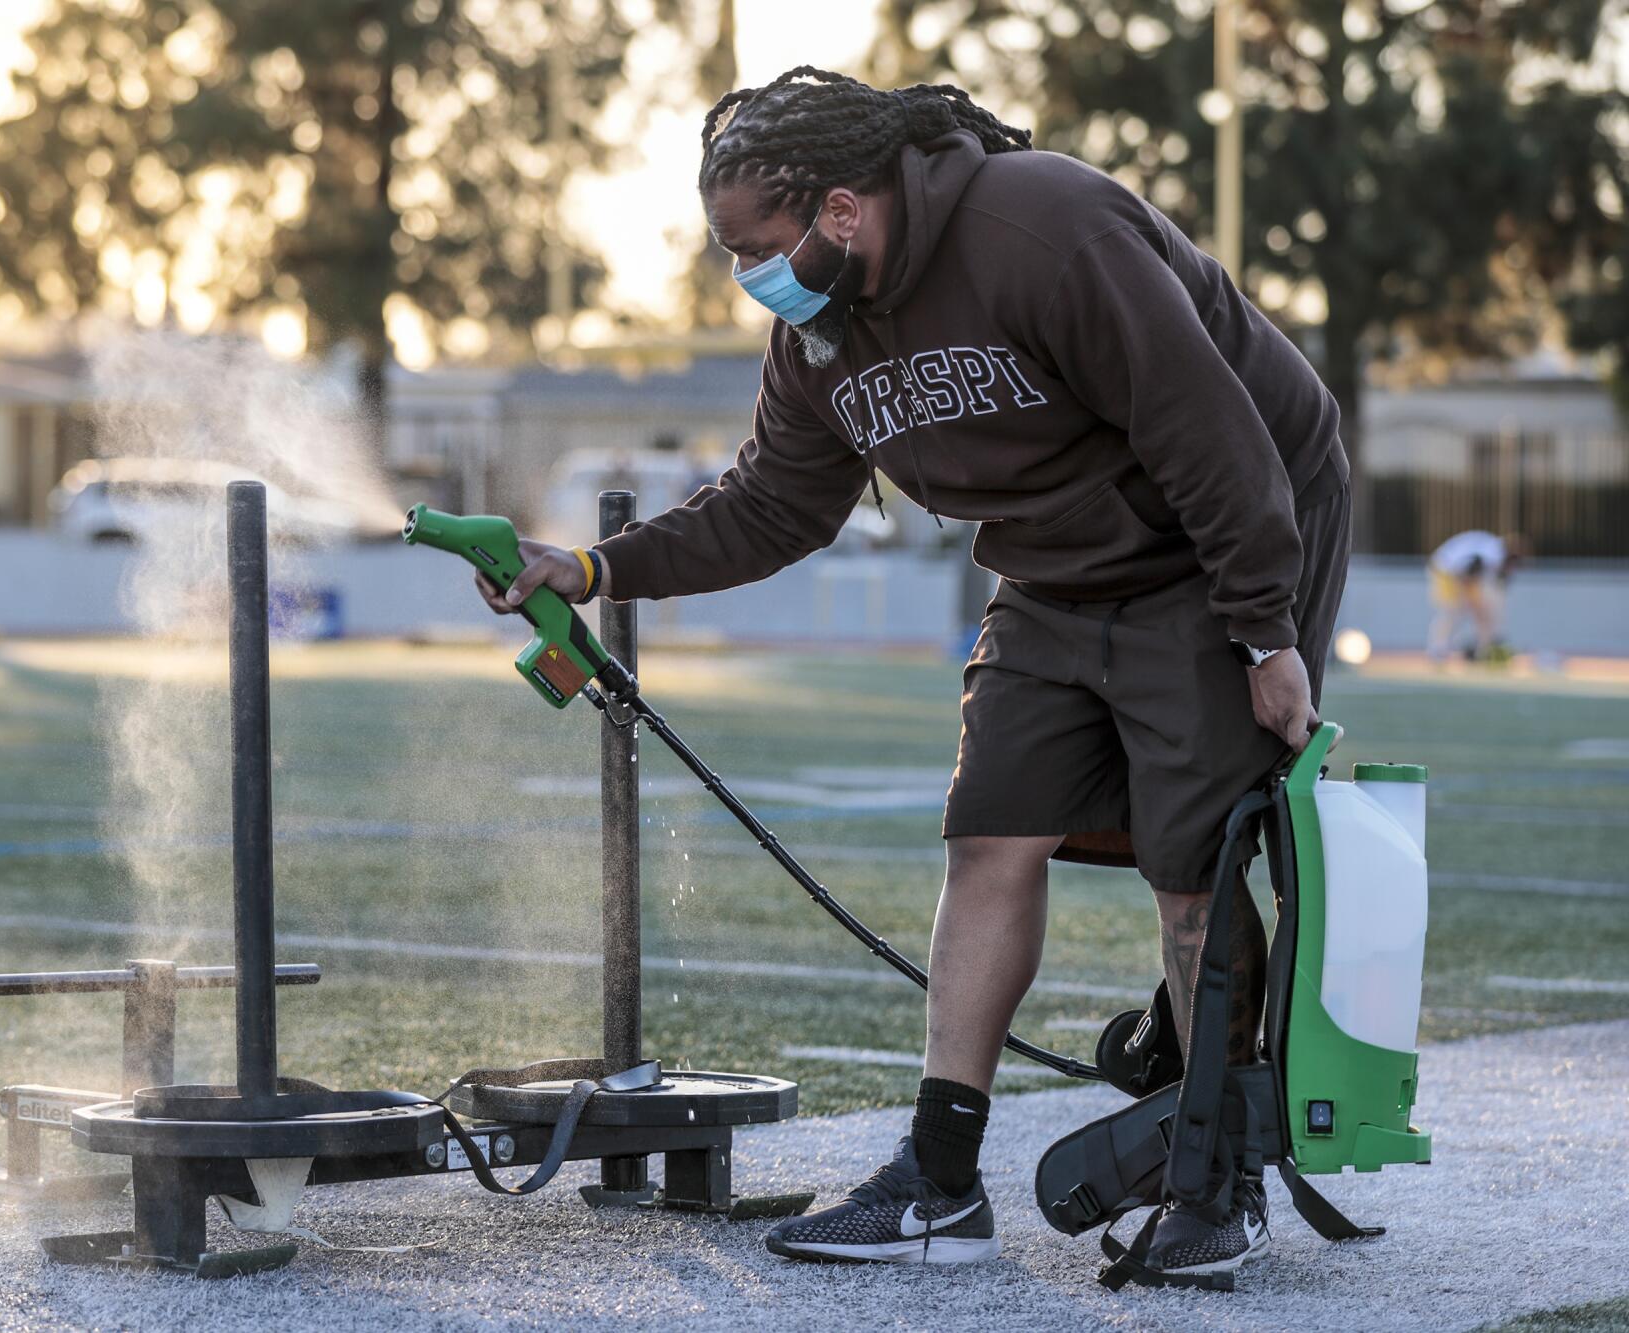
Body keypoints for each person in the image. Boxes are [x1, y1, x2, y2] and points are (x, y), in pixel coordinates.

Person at [467, 68, 1350, 1283]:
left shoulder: (1040, 226)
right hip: (1049, 570)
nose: (745, 275)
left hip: (1219, 541)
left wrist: (1264, 632)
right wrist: (592, 565)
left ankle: (1216, 1177)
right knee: (989, 833)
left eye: (753, 246)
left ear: (839, 209)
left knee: (1193, 861)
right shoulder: (817, 336)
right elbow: (772, 505)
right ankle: (939, 1181)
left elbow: (1211, 429)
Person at [1427, 529, 1525, 662]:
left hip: (1464, 574)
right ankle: (1438, 650)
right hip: (1446, 570)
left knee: (1483, 612)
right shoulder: (1492, 555)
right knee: (1453, 611)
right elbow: (1465, 573)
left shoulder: (1493, 551)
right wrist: (1471, 602)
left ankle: (1484, 650)